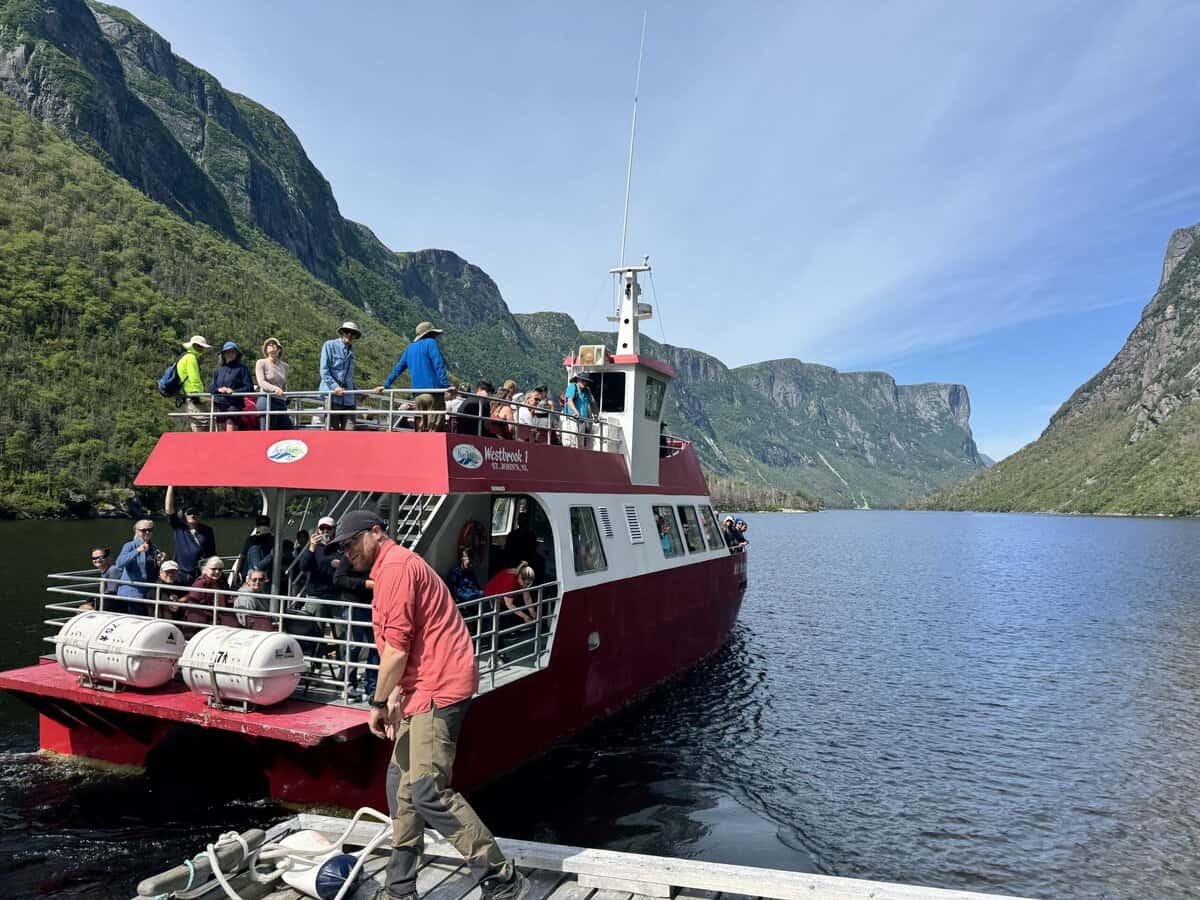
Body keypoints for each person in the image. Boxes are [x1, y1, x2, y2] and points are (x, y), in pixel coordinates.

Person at [330, 510, 528, 900]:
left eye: (352, 542)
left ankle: (502, 878)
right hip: (421, 689)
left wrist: (377, 703)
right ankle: (400, 890)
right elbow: (405, 648)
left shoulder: (398, 569)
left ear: (375, 533)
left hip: (439, 689)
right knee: (399, 786)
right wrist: (399, 698)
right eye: (342, 546)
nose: (347, 551)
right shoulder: (390, 571)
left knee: (427, 790)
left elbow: (397, 652)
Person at [375, 322, 450, 432]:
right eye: (434, 334)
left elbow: (398, 369)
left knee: (424, 426)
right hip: (433, 393)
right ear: (429, 334)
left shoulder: (410, 348)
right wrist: (445, 386)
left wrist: (386, 384)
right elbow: (438, 364)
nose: (435, 336)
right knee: (435, 428)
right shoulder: (431, 343)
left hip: (418, 396)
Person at [482, 562, 536, 658]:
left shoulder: (523, 581)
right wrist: (525, 616)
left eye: (529, 583)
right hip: (490, 598)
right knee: (495, 627)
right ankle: (495, 656)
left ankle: (498, 653)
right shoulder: (510, 580)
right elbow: (509, 604)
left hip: (501, 600)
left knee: (501, 627)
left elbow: (527, 597)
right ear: (520, 577)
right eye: (526, 583)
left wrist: (532, 612)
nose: (526, 585)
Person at [164, 486, 217, 584]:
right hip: (180, 574)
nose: (193, 515)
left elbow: (212, 554)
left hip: (199, 575)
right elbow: (169, 509)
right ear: (184, 515)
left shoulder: (207, 531)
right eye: (189, 512)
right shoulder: (179, 528)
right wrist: (170, 486)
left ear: (199, 515)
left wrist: (211, 572)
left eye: (195, 513)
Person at [114, 520, 165, 614]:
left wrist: (159, 563)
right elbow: (119, 563)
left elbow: (153, 571)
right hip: (132, 592)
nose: (147, 532)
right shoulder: (129, 546)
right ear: (136, 531)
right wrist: (137, 551)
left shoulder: (154, 548)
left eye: (150, 530)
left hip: (148, 592)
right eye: (144, 530)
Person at [319, 321, 362, 430]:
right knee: (332, 431)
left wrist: (358, 392)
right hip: (332, 397)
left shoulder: (351, 352)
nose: (350, 335)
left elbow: (349, 377)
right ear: (342, 332)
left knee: (350, 431)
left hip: (349, 398)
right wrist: (335, 387)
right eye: (347, 332)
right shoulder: (329, 345)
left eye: (353, 333)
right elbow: (324, 370)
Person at [209, 341, 253, 432]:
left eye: (232, 351)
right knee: (221, 432)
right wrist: (219, 390)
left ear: (236, 354)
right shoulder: (218, 370)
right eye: (227, 352)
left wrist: (234, 391)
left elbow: (249, 388)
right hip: (220, 405)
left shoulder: (242, 369)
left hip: (235, 404)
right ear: (223, 354)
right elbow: (211, 388)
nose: (230, 354)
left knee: (230, 427)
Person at [182, 556, 235, 628]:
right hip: (206, 615)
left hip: (221, 612)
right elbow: (193, 602)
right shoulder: (200, 583)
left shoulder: (222, 581)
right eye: (213, 569)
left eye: (219, 569)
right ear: (206, 570)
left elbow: (228, 596)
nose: (217, 572)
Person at [445, 548, 485, 637]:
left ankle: (478, 636)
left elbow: (476, 586)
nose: (470, 564)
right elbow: (457, 592)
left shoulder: (470, 572)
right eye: (469, 561)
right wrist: (479, 594)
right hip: (462, 604)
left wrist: (480, 593)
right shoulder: (455, 573)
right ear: (462, 559)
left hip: (474, 602)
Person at [256, 336, 293, 430]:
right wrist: (275, 389)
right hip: (267, 399)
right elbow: (261, 382)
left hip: (280, 401)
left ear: (279, 349)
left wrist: (286, 396)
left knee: (288, 428)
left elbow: (284, 384)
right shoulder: (261, 363)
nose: (272, 346)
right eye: (269, 345)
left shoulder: (284, 366)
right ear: (266, 349)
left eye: (274, 345)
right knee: (268, 428)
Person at [177, 335, 212, 432]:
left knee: (196, 424)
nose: (202, 349)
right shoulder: (191, 358)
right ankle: (203, 446)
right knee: (204, 422)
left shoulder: (184, 357)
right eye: (200, 346)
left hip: (188, 396)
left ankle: (198, 446)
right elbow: (194, 379)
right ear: (194, 346)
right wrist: (201, 397)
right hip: (194, 397)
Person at [233, 515, 275, 589]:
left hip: (265, 575)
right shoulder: (251, 541)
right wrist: (236, 573)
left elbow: (242, 557)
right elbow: (242, 557)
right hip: (251, 574)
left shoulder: (273, 540)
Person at [563, 373, 595, 449]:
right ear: (578, 380)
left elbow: (592, 403)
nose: (585, 383)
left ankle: (579, 459)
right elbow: (569, 401)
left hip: (582, 420)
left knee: (580, 444)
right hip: (572, 419)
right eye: (583, 380)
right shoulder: (572, 387)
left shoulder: (587, 391)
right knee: (573, 442)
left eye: (586, 381)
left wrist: (596, 415)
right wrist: (576, 412)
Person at [88, 546, 121, 612]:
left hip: (114, 604)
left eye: (100, 557)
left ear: (108, 557)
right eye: (94, 558)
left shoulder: (113, 570)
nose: (97, 560)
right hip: (105, 601)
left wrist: (92, 604)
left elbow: (111, 593)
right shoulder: (104, 571)